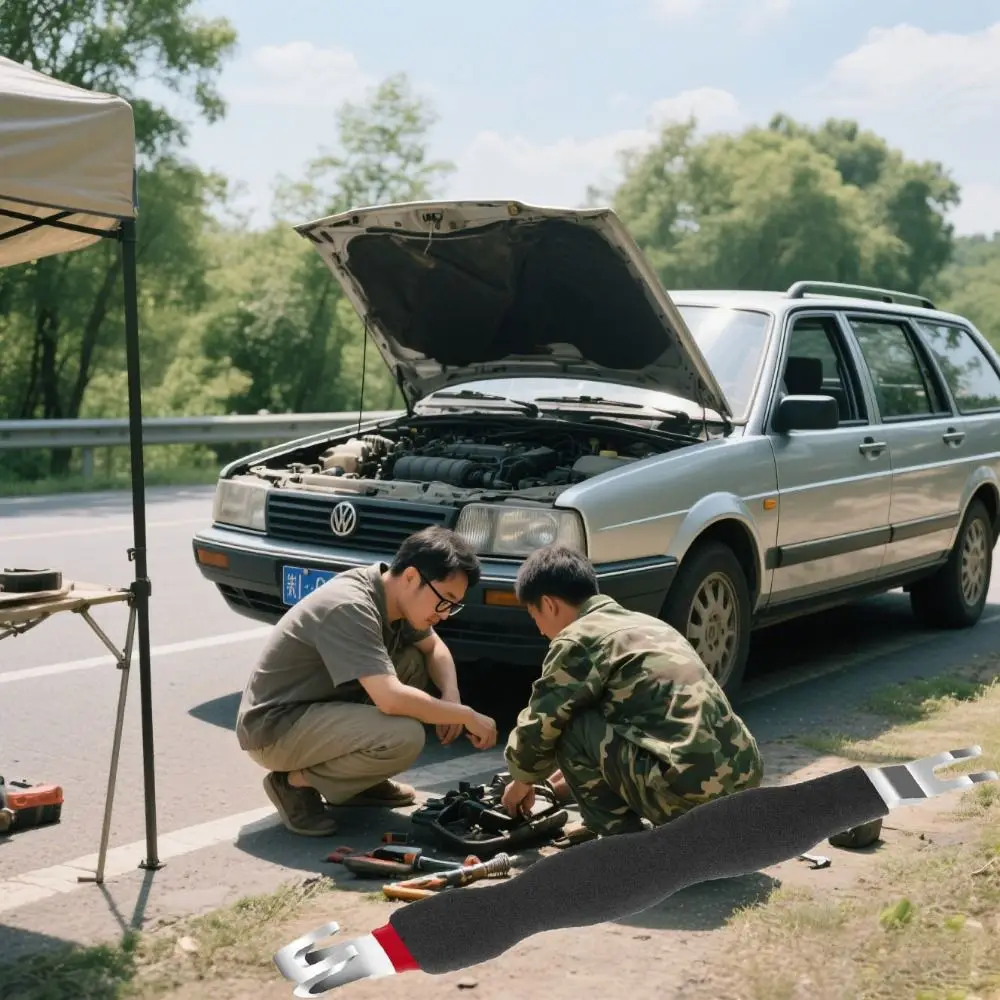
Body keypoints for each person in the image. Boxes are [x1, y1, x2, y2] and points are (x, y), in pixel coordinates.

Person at [236, 525, 498, 836]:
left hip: (317, 707)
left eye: (453, 606)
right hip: (275, 728)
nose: (444, 614)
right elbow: (391, 699)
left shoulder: (393, 594)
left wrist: (451, 695)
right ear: (411, 577)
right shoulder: (352, 605)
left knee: (413, 663)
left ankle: (357, 782)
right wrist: (465, 715)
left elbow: (434, 647)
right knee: (404, 736)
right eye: (445, 601)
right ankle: (293, 784)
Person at [500, 544, 764, 842]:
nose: (539, 629)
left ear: (549, 604)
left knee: (569, 726)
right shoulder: (650, 625)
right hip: (744, 781)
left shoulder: (578, 639)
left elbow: (540, 724)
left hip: (691, 796)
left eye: (534, 616)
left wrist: (521, 781)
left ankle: (624, 843)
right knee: (591, 713)